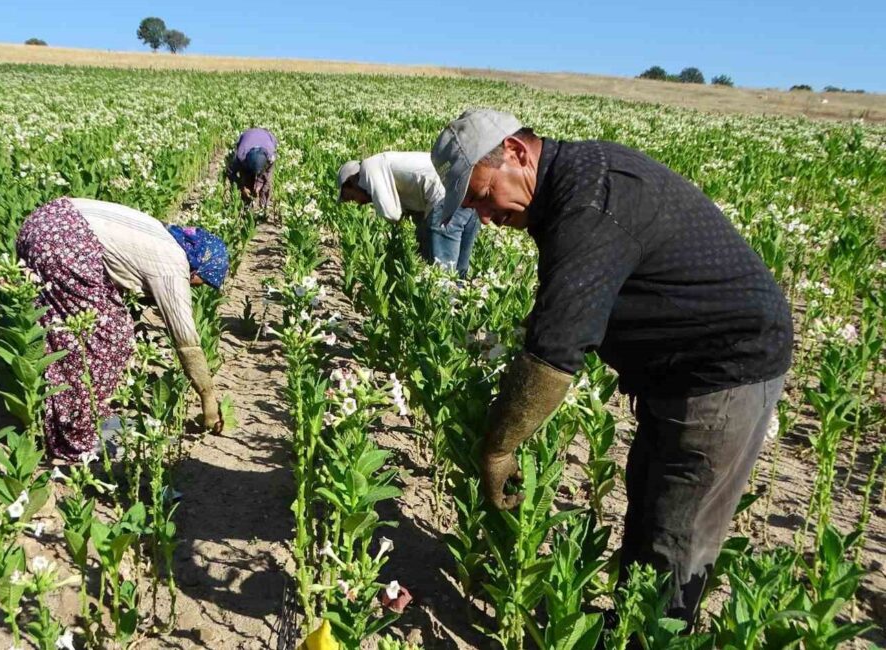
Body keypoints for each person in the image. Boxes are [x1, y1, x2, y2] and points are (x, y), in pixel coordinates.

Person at [431, 108, 793, 626]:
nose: (484, 216)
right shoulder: (570, 184)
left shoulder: (591, 199)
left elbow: (558, 347)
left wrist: (499, 446)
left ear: (515, 152)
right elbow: (572, 297)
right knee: (648, 504)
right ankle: (628, 627)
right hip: (678, 372)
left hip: (724, 369)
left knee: (677, 532)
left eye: (483, 195)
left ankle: (658, 635)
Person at [15, 197, 228, 460]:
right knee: (106, 336)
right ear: (199, 267)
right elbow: (186, 341)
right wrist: (207, 395)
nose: (197, 286)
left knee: (63, 331)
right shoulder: (173, 264)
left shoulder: (162, 235)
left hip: (41, 223)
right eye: (202, 281)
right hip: (64, 241)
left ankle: (67, 415)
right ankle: (80, 434)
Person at [337, 152, 481, 278]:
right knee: (458, 270)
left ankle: (444, 307)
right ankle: (458, 307)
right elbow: (414, 206)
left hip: (444, 197)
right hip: (467, 192)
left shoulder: (369, 167)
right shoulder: (386, 168)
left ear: (350, 181)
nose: (355, 202)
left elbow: (391, 213)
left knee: (443, 271)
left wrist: (401, 234)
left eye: (350, 197)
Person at [226, 127, 277, 210]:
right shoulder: (240, 156)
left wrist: (259, 186)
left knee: (266, 183)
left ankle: (263, 207)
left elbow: (267, 177)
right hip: (247, 137)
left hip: (267, 137)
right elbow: (230, 172)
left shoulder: (270, 156)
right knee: (246, 178)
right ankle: (247, 205)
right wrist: (242, 187)